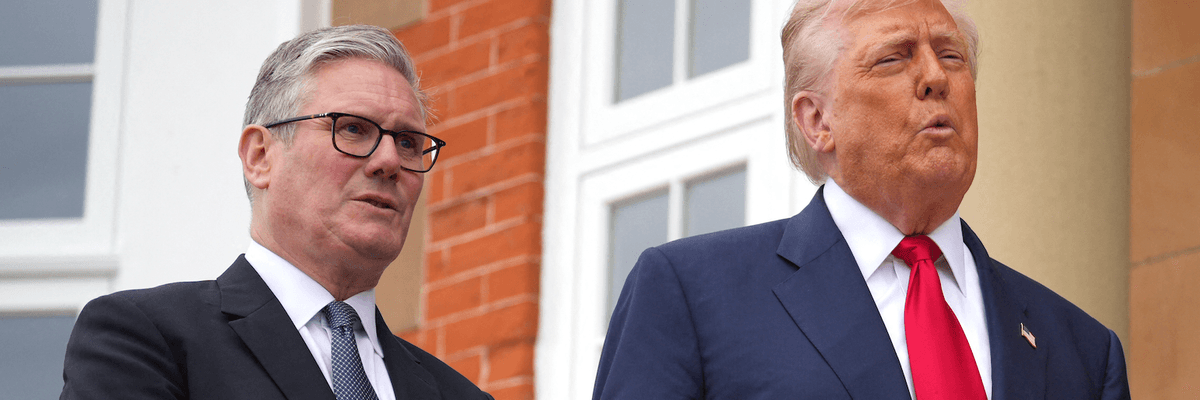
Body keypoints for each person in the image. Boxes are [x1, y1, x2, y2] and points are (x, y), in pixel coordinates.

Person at [592, 0, 1130, 399]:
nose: (936, 77)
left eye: (952, 55)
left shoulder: (1083, 350)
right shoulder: (693, 296)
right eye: (894, 58)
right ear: (817, 120)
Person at [60, 25, 492, 400]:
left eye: (408, 142)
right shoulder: (148, 339)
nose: (389, 161)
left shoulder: (459, 395)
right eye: (353, 129)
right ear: (260, 156)